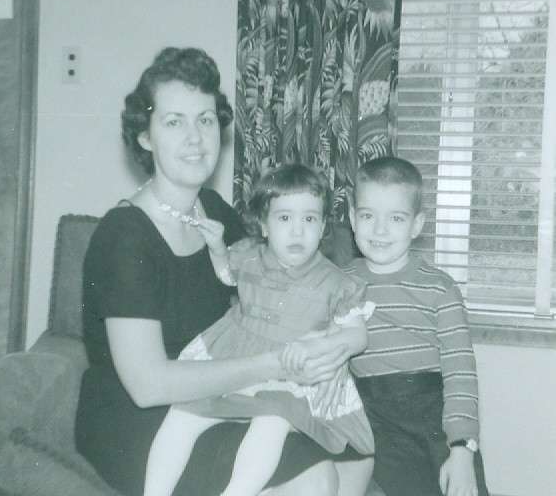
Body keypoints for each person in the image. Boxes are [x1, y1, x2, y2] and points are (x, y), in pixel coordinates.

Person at [75, 46, 369, 496]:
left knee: (357, 456)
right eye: (174, 122)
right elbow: (147, 385)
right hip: (141, 418)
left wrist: (325, 349)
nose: (195, 138)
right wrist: (274, 365)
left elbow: (277, 295)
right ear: (145, 137)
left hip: (222, 392)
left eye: (206, 120)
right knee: (313, 477)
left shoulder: (215, 211)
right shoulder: (124, 237)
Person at [143, 163, 376, 496]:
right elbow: (227, 275)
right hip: (236, 359)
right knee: (182, 414)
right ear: (264, 225)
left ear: (324, 225)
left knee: (273, 420)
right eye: (285, 218)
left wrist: (320, 347)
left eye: (310, 219)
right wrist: (217, 248)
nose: (297, 231)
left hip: (291, 377)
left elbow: (358, 335)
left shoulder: (336, 283)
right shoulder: (249, 255)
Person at [345, 156, 490, 496]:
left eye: (396, 218)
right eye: (367, 216)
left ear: (416, 225)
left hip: (433, 422)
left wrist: (461, 449)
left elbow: (460, 374)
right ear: (352, 218)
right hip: (370, 421)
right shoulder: (337, 283)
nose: (380, 230)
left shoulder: (440, 288)